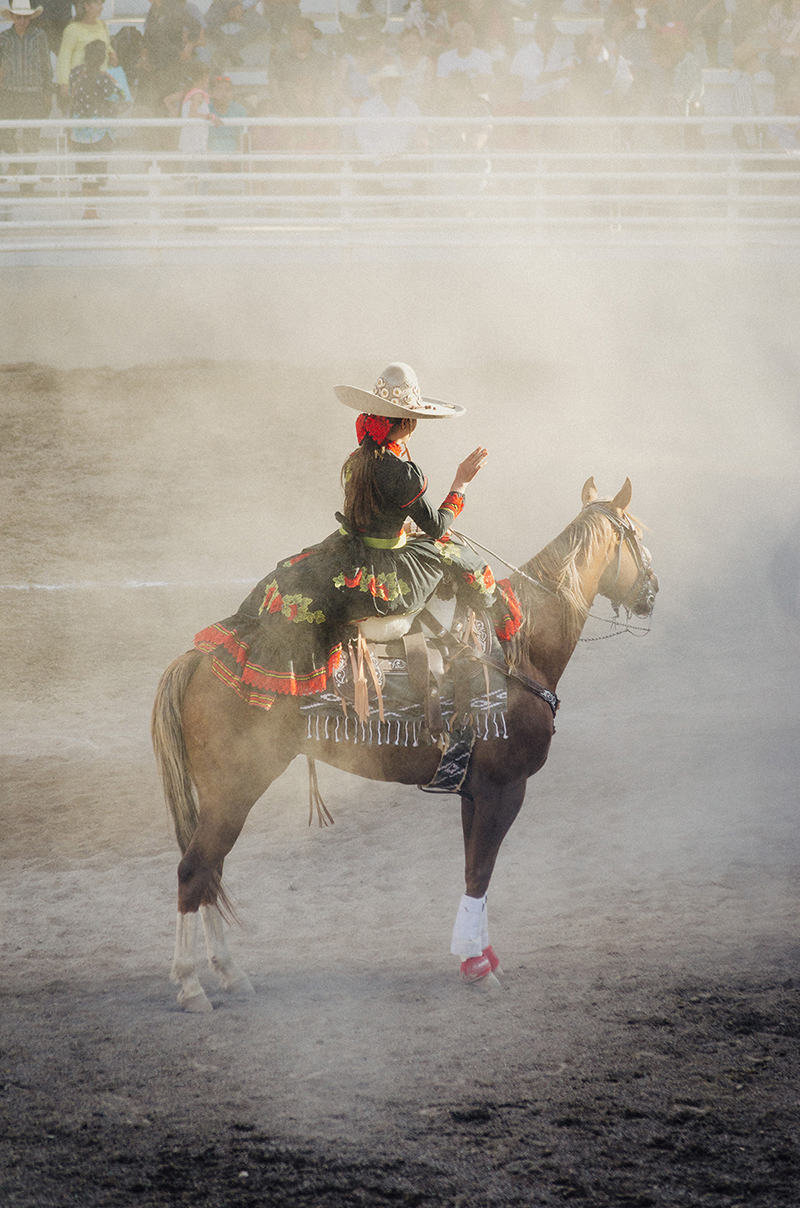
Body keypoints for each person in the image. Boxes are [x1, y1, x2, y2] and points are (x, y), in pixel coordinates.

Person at [194, 363, 523, 710]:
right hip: (384, 571)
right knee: (460, 556)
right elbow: (438, 527)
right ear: (409, 423)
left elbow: (370, 515)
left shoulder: (356, 461)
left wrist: (399, 525)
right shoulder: (405, 473)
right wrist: (461, 484)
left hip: (348, 551)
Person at [68, 36, 125, 216]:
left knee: (85, 170)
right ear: (103, 58)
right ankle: (90, 211)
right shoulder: (107, 78)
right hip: (100, 131)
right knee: (96, 170)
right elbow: (122, 98)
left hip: (79, 129)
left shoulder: (75, 73)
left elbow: (71, 95)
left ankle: (89, 210)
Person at [0, 0, 53, 194]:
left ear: (30, 17)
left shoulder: (40, 36)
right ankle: (17, 161)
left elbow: (46, 66)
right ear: (13, 17)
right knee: (4, 133)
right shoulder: (3, 38)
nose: (22, 21)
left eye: (25, 17)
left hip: (34, 92)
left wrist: (48, 93)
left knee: (31, 138)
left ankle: (28, 183)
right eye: (18, 17)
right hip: (9, 92)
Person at [56, 0, 114, 110]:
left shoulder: (102, 26)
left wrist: (111, 51)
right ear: (86, 6)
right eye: (97, 3)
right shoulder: (72, 29)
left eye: (102, 4)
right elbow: (64, 58)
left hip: (102, 83)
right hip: (81, 84)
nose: (101, 7)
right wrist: (64, 83)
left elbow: (106, 44)